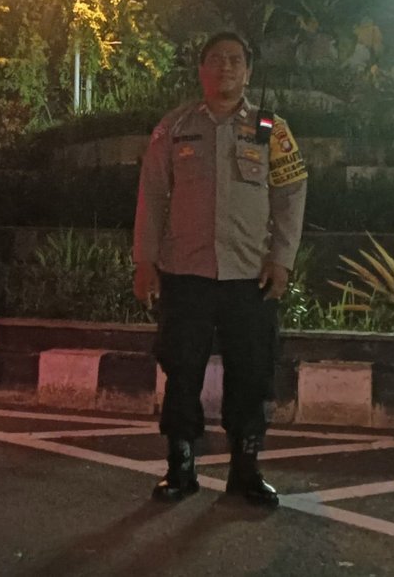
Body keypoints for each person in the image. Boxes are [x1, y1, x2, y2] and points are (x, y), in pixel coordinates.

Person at [132, 31, 308, 508]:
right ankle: (180, 465)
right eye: (215, 59)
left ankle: (246, 470)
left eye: (234, 60)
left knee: (251, 373)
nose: (225, 67)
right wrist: (145, 261)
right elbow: (152, 194)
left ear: (248, 71)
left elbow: (290, 194)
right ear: (201, 70)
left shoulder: (270, 127)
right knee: (181, 370)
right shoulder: (174, 127)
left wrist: (282, 259)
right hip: (185, 273)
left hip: (249, 276)